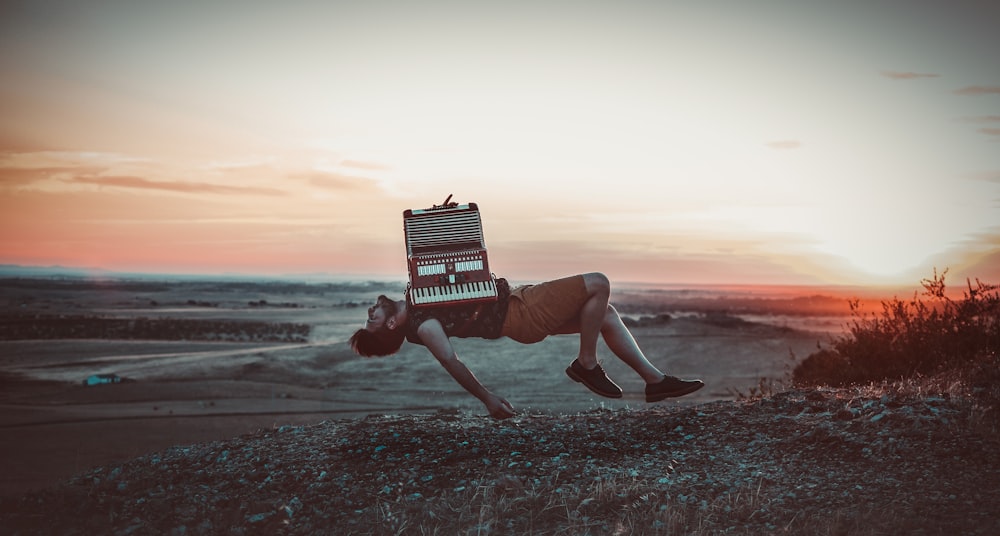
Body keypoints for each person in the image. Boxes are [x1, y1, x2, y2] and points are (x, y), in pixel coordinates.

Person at [349, 272, 703, 419]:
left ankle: (655, 382)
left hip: (520, 302)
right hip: (521, 313)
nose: (371, 311)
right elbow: (452, 361)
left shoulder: (418, 297)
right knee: (598, 283)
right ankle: (586, 363)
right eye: (373, 320)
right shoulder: (424, 326)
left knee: (605, 314)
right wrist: (488, 398)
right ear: (392, 324)